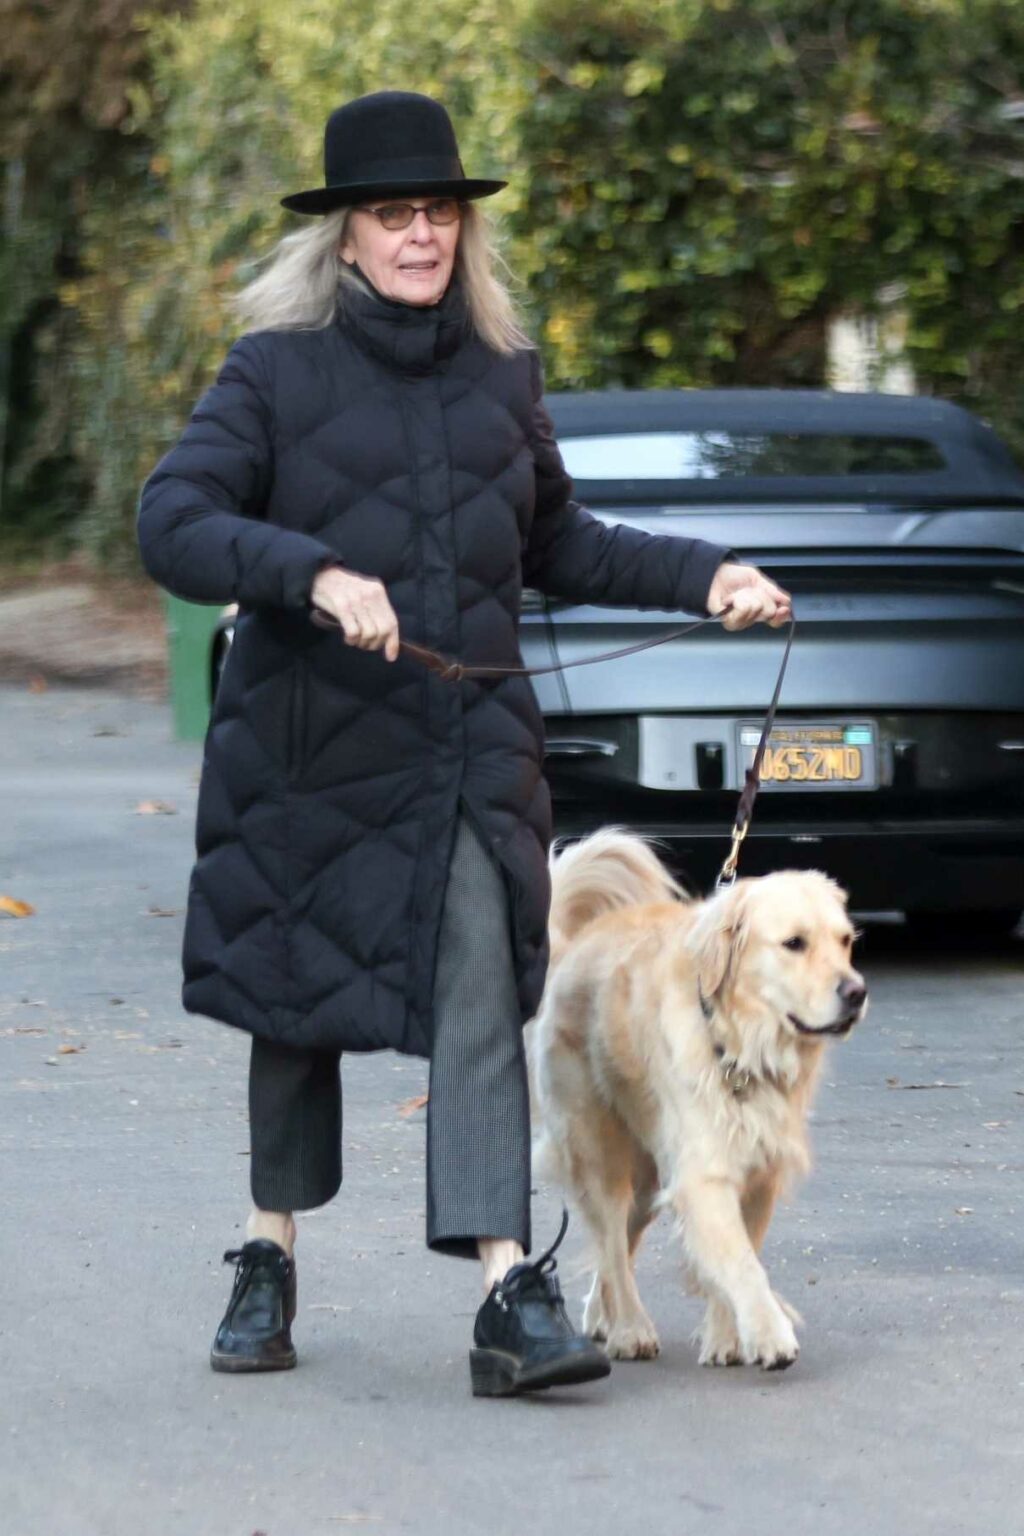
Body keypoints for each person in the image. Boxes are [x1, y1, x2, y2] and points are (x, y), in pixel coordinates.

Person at [137, 89, 791, 1398]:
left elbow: (560, 544)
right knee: (295, 1008)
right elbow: (174, 517)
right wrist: (311, 574)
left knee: (485, 994)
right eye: (395, 214)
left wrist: (706, 575)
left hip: (470, 748)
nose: (421, 234)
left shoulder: (500, 375)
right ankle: (268, 1252)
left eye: (439, 212)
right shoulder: (273, 374)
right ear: (346, 237)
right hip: (311, 752)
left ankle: (507, 1290)